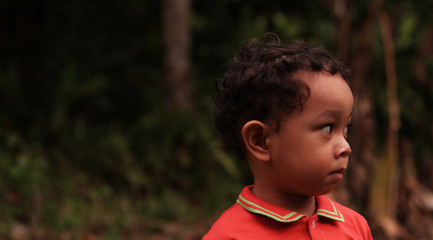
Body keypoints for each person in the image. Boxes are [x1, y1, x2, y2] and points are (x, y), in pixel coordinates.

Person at [203, 33, 373, 239]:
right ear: (260, 141)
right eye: (328, 128)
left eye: (345, 129)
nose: (346, 147)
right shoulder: (229, 236)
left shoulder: (354, 226)